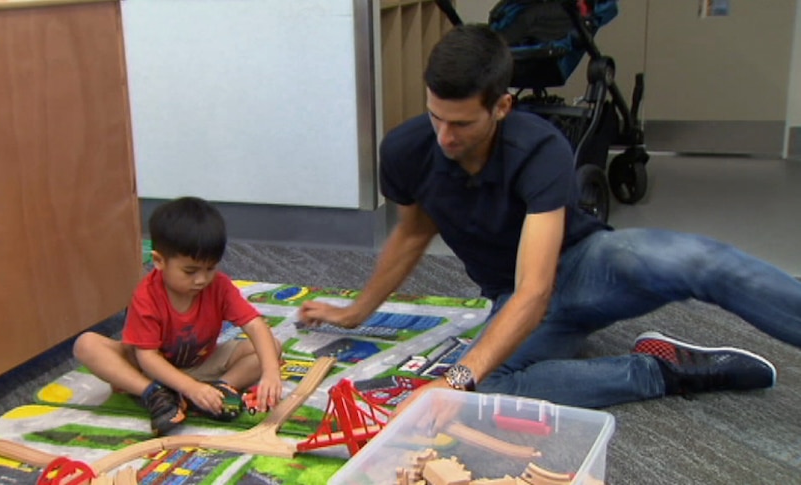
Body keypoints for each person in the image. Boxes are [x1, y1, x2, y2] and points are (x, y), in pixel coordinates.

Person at [299, 24, 801, 412]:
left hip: (591, 265)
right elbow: (413, 230)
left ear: (502, 106)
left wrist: (451, 379)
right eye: (436, 116)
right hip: (512, 293)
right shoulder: (407, 151)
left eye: (462, 122)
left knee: (699, 260)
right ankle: (662, 371)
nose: (445, 137)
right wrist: (357, 311)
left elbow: (537, 289)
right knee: (483, 383)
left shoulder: (538, 146)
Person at [74, 197, 283, 435]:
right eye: (190, 271)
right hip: (149, 369)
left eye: (210, 268)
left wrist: (271, 372)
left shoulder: (219, 287)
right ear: (159, 261)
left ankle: (220, 389)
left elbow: (254, 325)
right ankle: (154, 393)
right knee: (87, 345)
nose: (202, 279)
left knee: (271, 347)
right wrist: (190, 387)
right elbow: (147, 358)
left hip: (200, 364)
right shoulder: (147, 296)